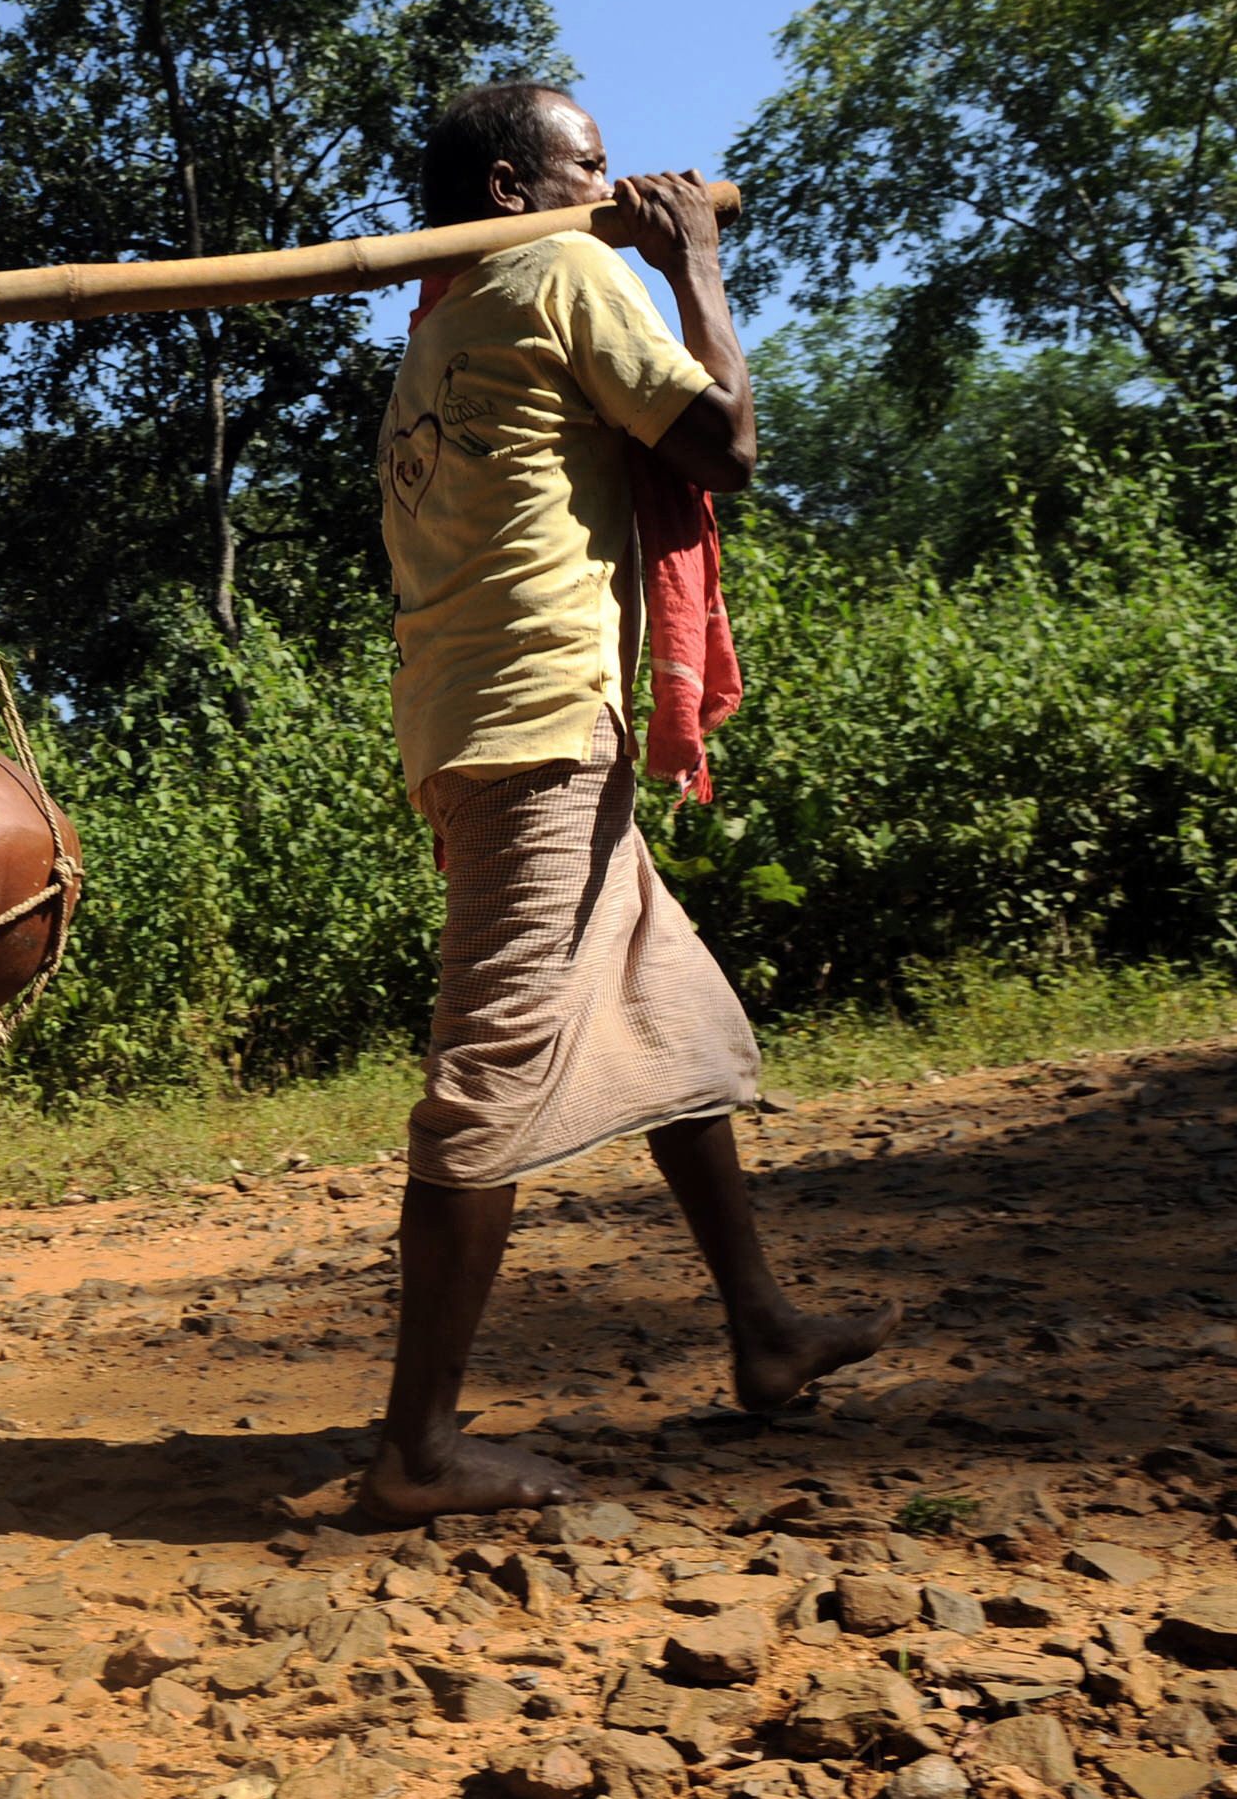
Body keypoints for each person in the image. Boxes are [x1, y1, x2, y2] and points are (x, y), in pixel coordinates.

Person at [360, 83, 899, 1522]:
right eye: (593, 163)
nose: (627, 180)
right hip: (539, 724)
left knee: (662, 1013)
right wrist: (696, 268)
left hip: (484, 727)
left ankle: (765, 1329)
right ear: (508, 183)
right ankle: (417, 1448)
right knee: (487, 1080)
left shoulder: (429, 332)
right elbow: (722, 446)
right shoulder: (568, 267)